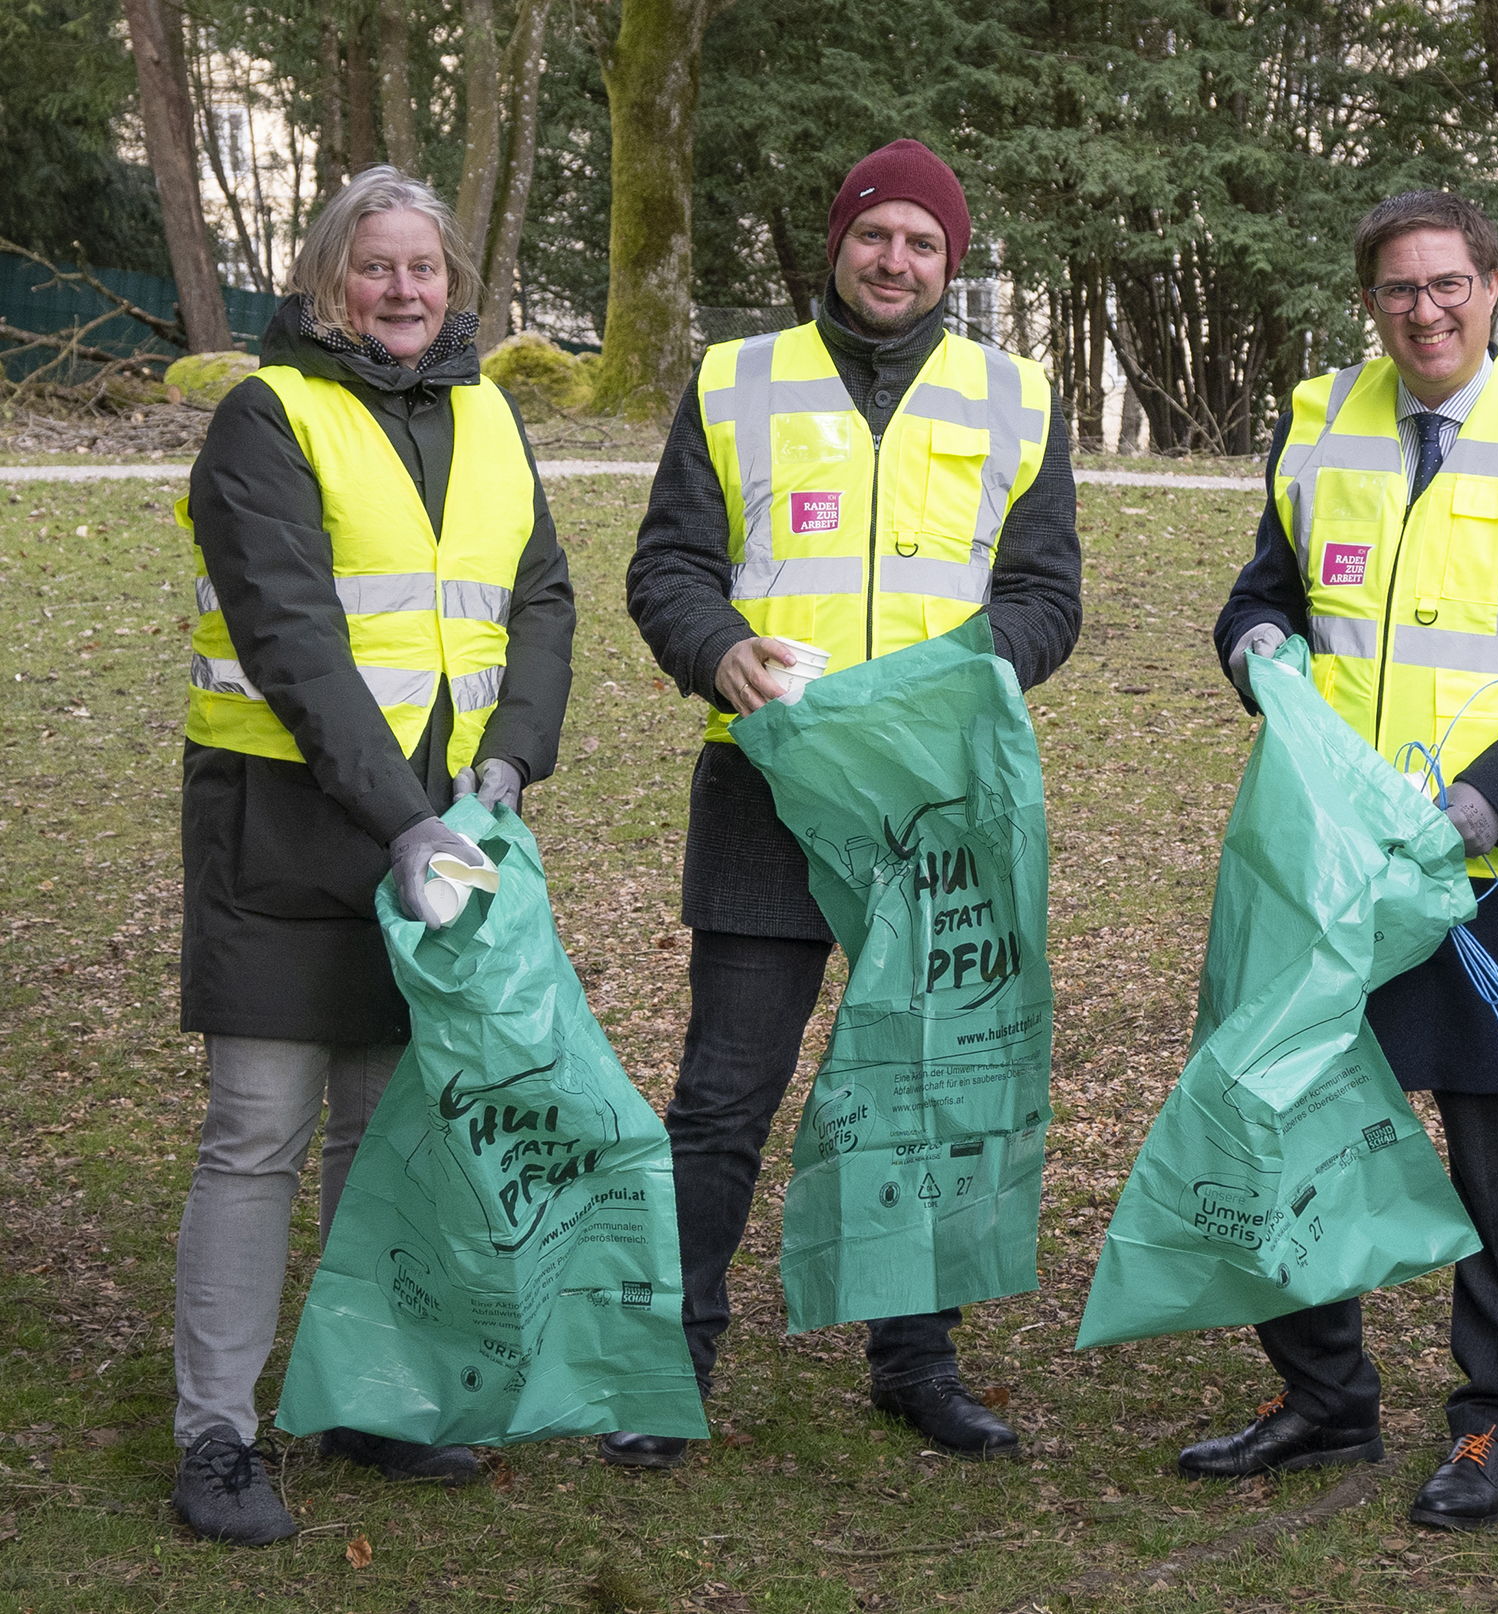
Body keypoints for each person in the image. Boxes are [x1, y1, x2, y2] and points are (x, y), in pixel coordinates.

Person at [611, 138, 1081, 1468]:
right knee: (722, 1091)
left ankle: (915, 1359)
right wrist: (716, 650)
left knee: (924, 1090)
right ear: (835, 246)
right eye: (876, 235)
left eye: (923, 242)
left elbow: (1048, 598)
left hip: (935, 807)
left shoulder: (1015, 398)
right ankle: (669, 1360)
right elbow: (668, 569)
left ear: (953, 259)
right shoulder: (735, 381)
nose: (896, 260)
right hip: (771, 786)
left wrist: (970, 673)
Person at [1198, 191, 1498, 1529]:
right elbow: (1262, 593)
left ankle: (1494, 1420)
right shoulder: (1317, 419)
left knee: (1494, 1153)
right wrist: (1251, 649)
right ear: (1369, 304)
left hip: (1483, 866)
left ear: (1494, 285)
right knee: (1288, 1113)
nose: (1425, 311)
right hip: (1324, 857)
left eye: (1448, 284)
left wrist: (1486, 803)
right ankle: (1323, 1395)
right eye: (1398, 291)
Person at [172, 165, 576, 1544]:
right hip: (290, 824)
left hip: (444, 832)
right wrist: (401, 816)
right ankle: (215, 1433)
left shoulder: (491, 414)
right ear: (324, 279)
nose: (403, 292)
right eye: (374, 266)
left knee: (384, 1127)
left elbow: (541, 597)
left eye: (425, 268)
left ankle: (360, 1393)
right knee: (257, 1133)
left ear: (453, 284)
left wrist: (507, 770)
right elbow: (290, 634)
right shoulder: (266, 417)